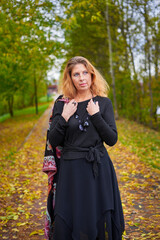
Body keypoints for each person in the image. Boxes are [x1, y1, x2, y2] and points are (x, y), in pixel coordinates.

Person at [48, 56, 125, 240]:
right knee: (71, 216)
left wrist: (96, 115)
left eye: (85, 73)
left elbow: (112, 139)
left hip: (97, 169)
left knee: (96, 216)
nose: (82, 78)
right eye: (76, 74)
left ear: (91, 75)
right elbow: (53, 140)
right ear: (70, 78)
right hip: (71, 171)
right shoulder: (62, 103)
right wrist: (64, 117)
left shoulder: (103, 103)